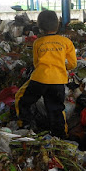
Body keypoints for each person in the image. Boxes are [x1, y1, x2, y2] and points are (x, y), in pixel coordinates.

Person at [16, 10, 77, 138]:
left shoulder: (38, 43)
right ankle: (60, 136)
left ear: (40, 27)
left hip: (39, 79)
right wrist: (62, 67)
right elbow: (73, 64)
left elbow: (36, 63)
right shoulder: (66, 42)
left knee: (22, 100)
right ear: (58, 24)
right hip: (58, 81)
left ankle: (25, 126)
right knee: (56, 109)